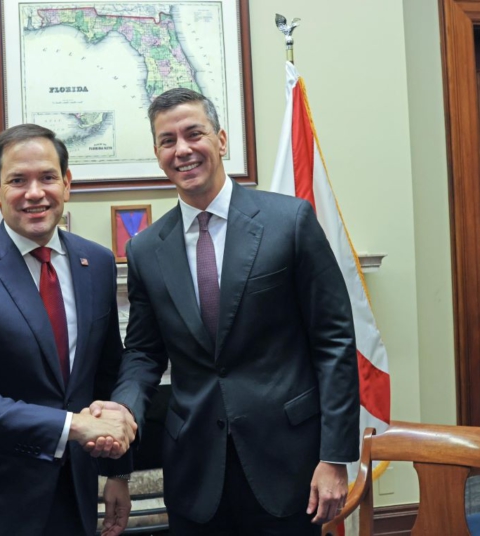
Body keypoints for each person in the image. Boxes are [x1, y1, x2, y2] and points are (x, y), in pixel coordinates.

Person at [92, 88, 360, 534]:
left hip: (288, 461)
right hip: (194, 468)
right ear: (157, 154)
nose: (182, 150)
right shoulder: (144, 250)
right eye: (167, 140)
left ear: (220, 140)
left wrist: (334, 456)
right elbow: (142, 353)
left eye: (193, 133)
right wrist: (123, 413)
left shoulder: (289, 222)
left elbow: (334, 343)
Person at [0, 124, 136, 536]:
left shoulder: (98, 263)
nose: (35, 193)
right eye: (18, 180)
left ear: (67, 185)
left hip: (74, 498)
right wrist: (73, 426)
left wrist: (118, 472)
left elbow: (105, 376)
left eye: (48, 177)